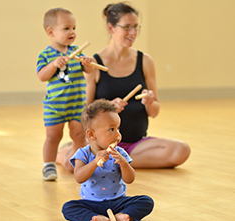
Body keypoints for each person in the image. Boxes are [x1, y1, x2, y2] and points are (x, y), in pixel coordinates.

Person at [56, 2, 190, 170]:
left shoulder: (145, 61)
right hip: (101, 146)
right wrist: (107, 108)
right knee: (71, 166)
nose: (133, 33)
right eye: (127, 27)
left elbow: (154, 112)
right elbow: (86, 114)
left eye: (135, 27)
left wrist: (150, 102)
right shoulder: (95, 64)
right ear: (111, 28)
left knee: (181, 150)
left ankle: (115, 161)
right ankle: (64, 154)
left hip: (136, 144)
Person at [62, 99, 154, 221]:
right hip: (91, 203)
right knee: (68, 208)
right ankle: (95, 218)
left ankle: (121, 215)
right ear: (91, 134)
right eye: (112, 129)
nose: (118, 134)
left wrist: (123, 163)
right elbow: (79, 177)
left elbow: (130, 179)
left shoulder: (119, 152)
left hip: (118, 201)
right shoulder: (83, 153)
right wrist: (95, 162)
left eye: (118, 128)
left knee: (146, 201)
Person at [36, 8, 94, 181]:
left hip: (76, 104)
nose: (72, 32)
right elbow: (41, 76)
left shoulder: (76, 51)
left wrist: (88, 63)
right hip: (55, 107)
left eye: (74, 28)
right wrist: (54, 64)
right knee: (53, 136)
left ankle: (81, 165)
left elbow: (89, 71)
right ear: (51, 32)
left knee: (78, 136)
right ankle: (48, 165)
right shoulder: (46, 55)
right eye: (67, 28)